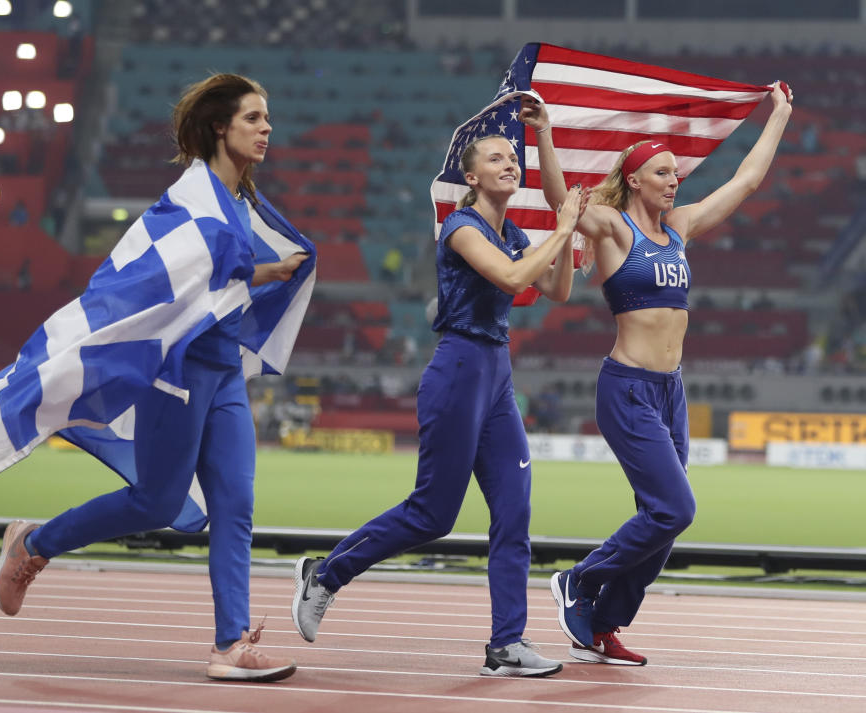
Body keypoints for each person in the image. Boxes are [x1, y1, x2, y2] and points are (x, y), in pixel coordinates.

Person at [0, 74, 309, 682]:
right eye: (254, 118)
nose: (267, 129)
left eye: (267, 118)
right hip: (177, 366)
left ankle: (230, 644)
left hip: (223, 368)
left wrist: (271, 271)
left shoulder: (238, 203)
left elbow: (217, 276)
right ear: (219, 127)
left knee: (235, 505)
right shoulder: (188, 200)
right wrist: (259, 270)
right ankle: (33, 543)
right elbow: (159, 280)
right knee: (156, 501)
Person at [292, 133, 585, 677]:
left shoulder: (513, 231)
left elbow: (558, 289)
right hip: (458, 369)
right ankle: (326, 574)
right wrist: (562, 228)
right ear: (471, 177)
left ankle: (507, 643)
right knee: (432, 514)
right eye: (496, 158)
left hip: (496, 373)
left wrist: (565, 242)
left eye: (513, 158)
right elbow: (514, 277)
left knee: (515, 512)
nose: (510, 164)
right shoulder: (461, 227)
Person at [524, 82, 793, 665]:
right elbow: (555, 199)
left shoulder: (682, 228)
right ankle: (579, 580)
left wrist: (779, 116)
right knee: (676, 509)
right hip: (627, 390)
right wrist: (544, 133)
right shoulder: (615, 228)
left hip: (671, 391)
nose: (676, 180)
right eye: (665, 172)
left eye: (677, 172)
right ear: (637, 178)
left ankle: (602, 624)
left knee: (662, 521)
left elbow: (745, 181)